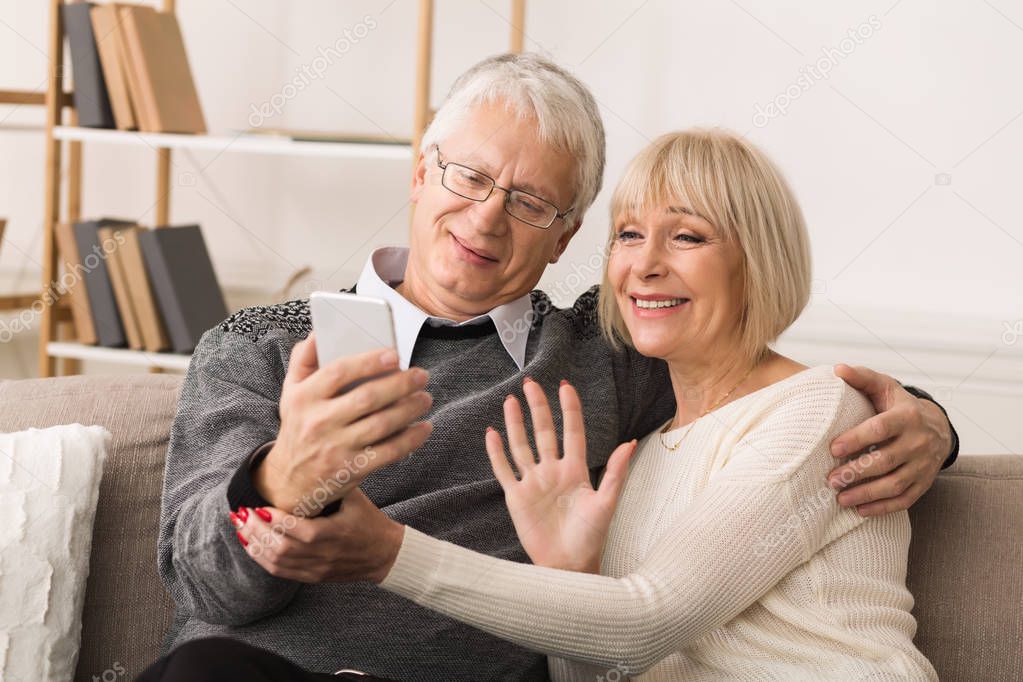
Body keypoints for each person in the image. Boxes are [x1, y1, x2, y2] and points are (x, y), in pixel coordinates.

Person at [142, 54, 956, 681]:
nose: (487, 216)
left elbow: (756, 387)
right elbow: (209, 591)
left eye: (531, 202)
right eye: (469, 176)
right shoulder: (261, 346)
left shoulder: (603, 351)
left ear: (564, 238)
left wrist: (924, 421)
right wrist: (283, 477)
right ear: (422, 172)